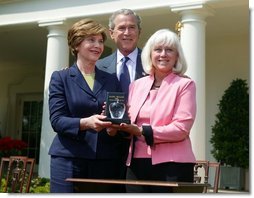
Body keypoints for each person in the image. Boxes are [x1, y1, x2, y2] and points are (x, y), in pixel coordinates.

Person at [108, 29, 197, 193]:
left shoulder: (185, 85)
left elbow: (181, 129)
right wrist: (114, 123)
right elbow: (129, 124)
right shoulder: (136, 85)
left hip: (173, 165)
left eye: (169, 50)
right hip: (136, 163)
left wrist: (142, 131)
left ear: (177, 56)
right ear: (150, 54)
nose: (163, 54)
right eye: (158, 49)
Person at [48, 18, 127, 193]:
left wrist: (113, 129)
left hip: (105, 160)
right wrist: (86, 122)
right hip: (69, 159)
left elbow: (117, 117)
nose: (97, 45)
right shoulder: (60, 78)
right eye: (91, 40)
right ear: (76, 45)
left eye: (100, 41)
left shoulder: (112, 79)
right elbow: (57, 120)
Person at [96, 8, 145, 94]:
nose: (127, 33)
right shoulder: (98, 67)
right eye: (122, 28)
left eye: (132, 27)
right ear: (112, 34)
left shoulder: (152, 62)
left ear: (139, 32)